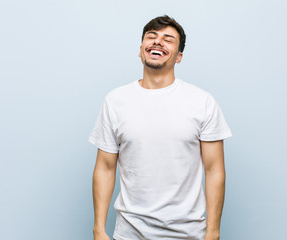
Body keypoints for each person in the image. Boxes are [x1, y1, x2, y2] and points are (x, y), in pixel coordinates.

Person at [89, 15, 232, 240]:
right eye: (151, 36)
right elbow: (105, 168)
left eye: (168, 39)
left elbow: (214, 170)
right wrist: (98, 230)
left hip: (188, 234)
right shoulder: (115, 101)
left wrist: (213, 233)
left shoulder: (202, 102)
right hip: (129, 233)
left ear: (179, 56)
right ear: (140, 49)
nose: (157, 42)